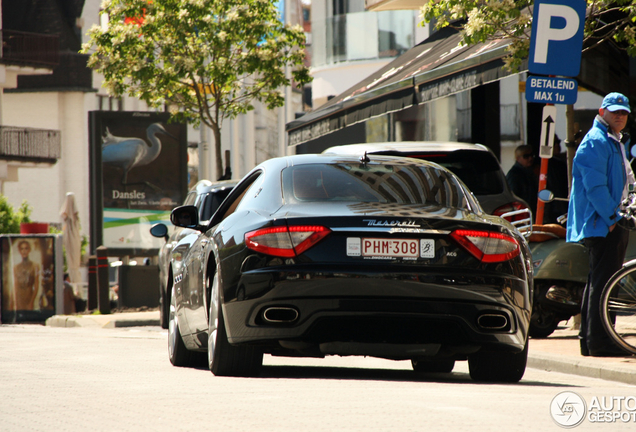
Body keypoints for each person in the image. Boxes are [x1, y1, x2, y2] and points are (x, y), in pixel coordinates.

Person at [567, 92, 634, 357]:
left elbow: (625, 179)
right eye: (615, 111)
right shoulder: (596, 141)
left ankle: (592, 341)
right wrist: (611, 219)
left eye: (624, 112)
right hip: (603, 222)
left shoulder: (611, 140)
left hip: (610, 220)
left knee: (601, 282)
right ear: (602, 111)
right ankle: (599, 342)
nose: (619, 116)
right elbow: (594, 187)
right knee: (605, 283)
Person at [506, 144, 538, 218]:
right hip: (523, 213)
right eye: (526, 156)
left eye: (532, 155)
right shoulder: (514, 175)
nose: (530, 158)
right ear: (518, 159)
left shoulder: (530, 171)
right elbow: (514, 197)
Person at [12, 240, 40, 310]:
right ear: (19, 250)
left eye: (26, 248)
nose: (24, 251)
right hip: (19, 299)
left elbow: (36, 286)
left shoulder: (35, 266)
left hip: (29, 297)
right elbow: (15, 285)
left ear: (29, 250)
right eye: (22, 249)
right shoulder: (16, 268)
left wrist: (31, 302)